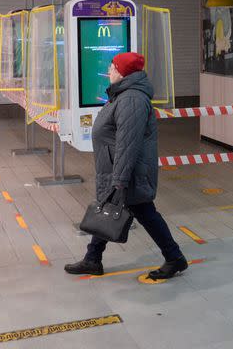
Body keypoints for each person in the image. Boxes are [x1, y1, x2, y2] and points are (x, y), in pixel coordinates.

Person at [64, 52, 188, 279]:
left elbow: (127, 143)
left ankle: (174, 257)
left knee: (143, 212)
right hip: (119, 169)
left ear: (124, 73)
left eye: (112, 67)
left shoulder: (132, 99)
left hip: (127, 172)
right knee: (114, 209)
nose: (108, 71)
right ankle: (93, 258)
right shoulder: (123, 95)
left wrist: (119, 179)